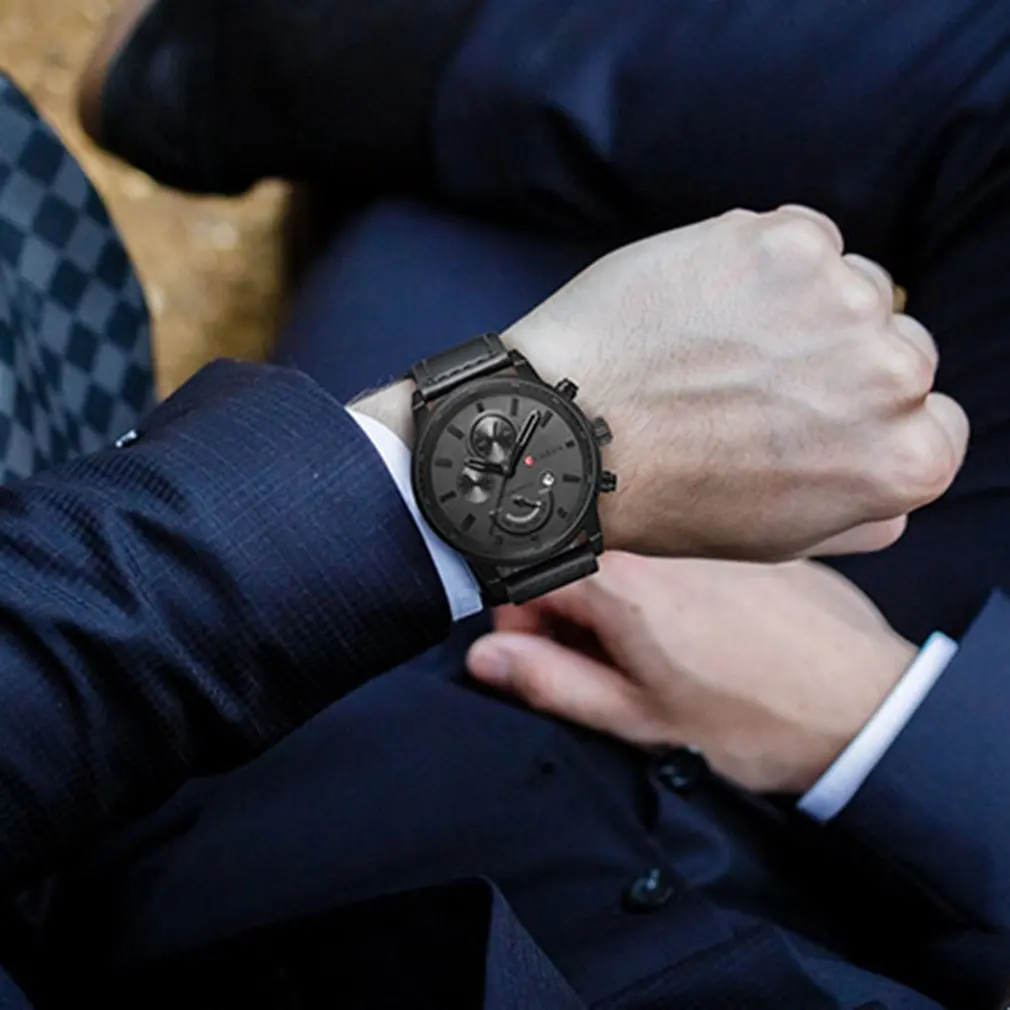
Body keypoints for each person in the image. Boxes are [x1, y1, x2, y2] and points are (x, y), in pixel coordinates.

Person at [37, 1, 1010, 1007]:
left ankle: (288, 90)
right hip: (941, 731)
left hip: (388, 858)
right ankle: (239, 70)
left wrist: (455, 479)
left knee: (478, 221)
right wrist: (886, 720)